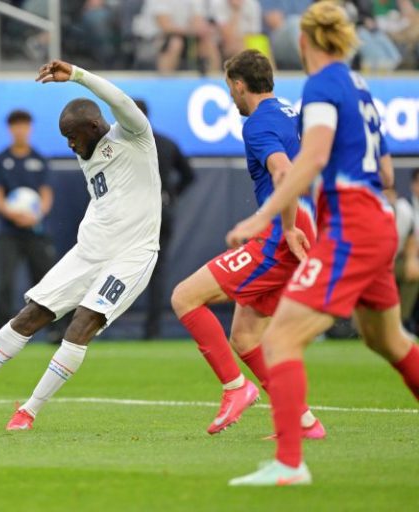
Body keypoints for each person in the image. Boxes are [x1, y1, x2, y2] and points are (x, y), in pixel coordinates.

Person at [226, 2, 419, 486]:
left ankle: (290, 464)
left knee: (281, 338)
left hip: (352, 223)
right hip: (379, 216)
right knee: (388, 339)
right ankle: (290, 460)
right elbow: (390, 172)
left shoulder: (322, 86)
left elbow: (309, 160)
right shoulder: (359, 85)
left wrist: (263, 216)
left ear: (304, 42)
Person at [0, 60, 161, 431]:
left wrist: (78, 76)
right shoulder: (87, 154)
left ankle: (28, 410)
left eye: (73, 135)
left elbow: (119, 99)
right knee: (29, 316)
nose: (69, 143)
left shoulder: (135, 136)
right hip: (88, 252)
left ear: (96, 127)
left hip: (131, 256)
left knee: (81, 324)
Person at [170, 49, 325, 438]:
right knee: (245, 337)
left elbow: (284, 172)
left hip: (283, 231)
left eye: (229, 89)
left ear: (239, 85)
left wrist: (287, 228)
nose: (231, 97)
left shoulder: (257, 125)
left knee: (185, 297)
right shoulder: (289, 112)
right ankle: (302, 420)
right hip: (307, 222)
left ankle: (235, 388)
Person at [0, 110, 56, 336]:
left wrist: (37, 215)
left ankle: (54, 331)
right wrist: (12, 214)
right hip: (8, 232)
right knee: (5, 282)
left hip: (36, 231)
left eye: (24, 126)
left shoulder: (39, 159)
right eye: (16, 126)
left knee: (45, 282)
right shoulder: (0, 161)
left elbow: (46, 194)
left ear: (30, 128)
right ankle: (0, 332)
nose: (20, 130)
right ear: (10, 129)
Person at [133, 99, 195, 340]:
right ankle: (152, 329)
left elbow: (188, 174)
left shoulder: (126, 144)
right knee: (155, 272)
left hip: (136, 214)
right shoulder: (165, 142)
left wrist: (170, 195)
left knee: (125, 268)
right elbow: (189, 175)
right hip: (159, 210)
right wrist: (170, 195)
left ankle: (109, 322)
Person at [384, 187, 419, 329]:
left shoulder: (404, 211)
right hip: (369, 265)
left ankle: (400, 323)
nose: (386, 198)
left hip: (394, 262)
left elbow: (411, 237)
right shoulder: (366, 211)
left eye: (389, 194)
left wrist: (411, 260)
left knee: (414, 272)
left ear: (395, 195)